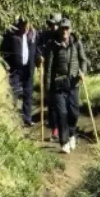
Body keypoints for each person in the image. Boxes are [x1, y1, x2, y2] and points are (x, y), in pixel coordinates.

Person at [43, 18, 89, 154]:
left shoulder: (76, 43)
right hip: (58, 85)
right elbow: (49, 67)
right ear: (59, 29)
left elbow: (83, 60)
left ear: (71, 30)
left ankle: (72, 134)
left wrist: (83, 72)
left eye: (67, 28)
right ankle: (64, 142)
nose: (65, 31)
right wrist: (47, 87)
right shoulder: (53, 45)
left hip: (73, 84)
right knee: (62, 113)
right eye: (62, 28)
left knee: (73, 114)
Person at [0, 17, 38, 127]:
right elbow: (3, 51)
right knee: (14, 93)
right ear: (19, 25)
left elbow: (37, 49)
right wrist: (6, 64)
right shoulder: (12, 35)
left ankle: (27, 118)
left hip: (28, 68)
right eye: (23, 26)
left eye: (27, 26)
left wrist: (39, 57)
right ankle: (13, 118)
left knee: (28, 93)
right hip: (15, 68)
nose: (26, 29)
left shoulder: (33, 35)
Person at [36, 12, 62, 141]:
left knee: (62, 103)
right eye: (50, 24)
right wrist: (39, 56)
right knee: (52, 103)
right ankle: (54, 130)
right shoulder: (45, 36)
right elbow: (38, 47)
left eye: (53, 24)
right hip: (49, 73)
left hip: (62, 74)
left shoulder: (63, 36)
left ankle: (66, 130)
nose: (51, 27)